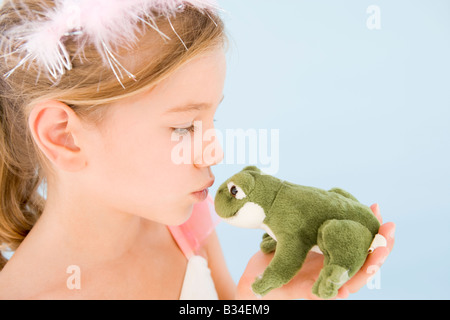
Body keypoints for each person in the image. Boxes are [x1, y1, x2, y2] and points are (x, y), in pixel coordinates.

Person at [0, 0, 395, 299]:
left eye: (212, 121)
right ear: (64, 136)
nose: (215, 153)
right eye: (184, 127)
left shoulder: (186, 225)